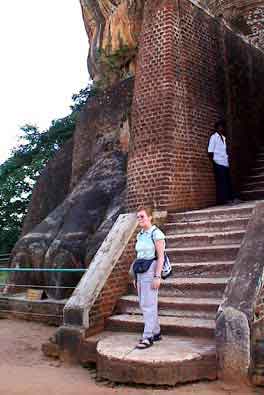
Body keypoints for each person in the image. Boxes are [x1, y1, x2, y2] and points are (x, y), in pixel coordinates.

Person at [133, 207, 166, 349]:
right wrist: (134, 277)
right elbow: (138, 256)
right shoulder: (140, 235)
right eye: (138, 217)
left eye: (142, 216)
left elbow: (161, 257)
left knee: (148, 305)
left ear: (150, 217)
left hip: (151, 270)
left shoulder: (156, 234)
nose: (140, 219)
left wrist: (157, 276)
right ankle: (156, 332)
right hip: (139, 271)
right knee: (144, 303)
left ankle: (148, 337)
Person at [208, 120, 234, 205]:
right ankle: (222, 201)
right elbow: (210, 151)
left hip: (225, 162)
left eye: (222, 127)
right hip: (218, 162)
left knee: (227, 181)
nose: (221, 128)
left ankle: (229, 198)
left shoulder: (223, 138)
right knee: (221, 182)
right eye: (220, 127)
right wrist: (214, 162)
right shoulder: (213, 137)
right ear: (216, 128)